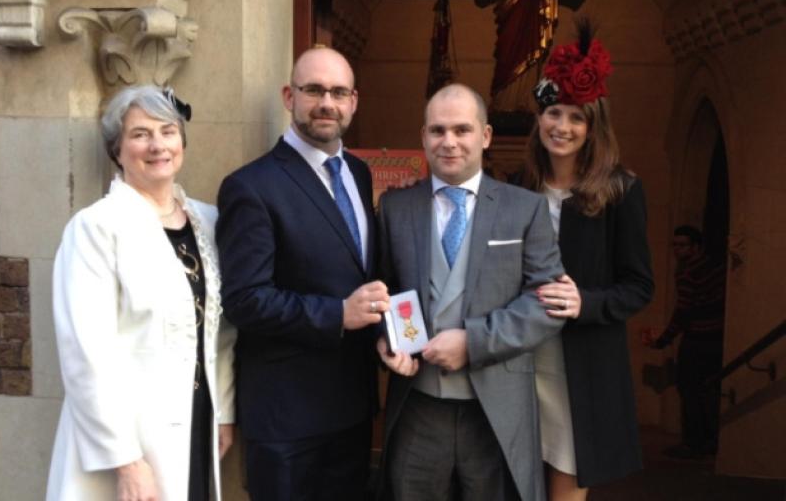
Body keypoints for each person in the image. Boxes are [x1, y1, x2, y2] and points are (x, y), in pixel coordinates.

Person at [376, 83, 568, 501]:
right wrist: (387, 338)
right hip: (418, 407)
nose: (449, 142)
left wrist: (474, 341)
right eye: (437, 130)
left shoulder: (524, 208)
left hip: (497, 409)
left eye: (462, 130)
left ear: (485, 136)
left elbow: (548, 303)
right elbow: (384, 290)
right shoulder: (395, 209)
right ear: (423, 136)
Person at [46, 85, 237, 501]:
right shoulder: (96, 228)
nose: (157, 146)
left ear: (182, 142)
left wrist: (223, 413)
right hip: (125, 442)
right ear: (117, 149)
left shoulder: (209, 222)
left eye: (168, 131)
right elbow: (85, 353)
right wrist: (126, 461)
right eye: (140, 134)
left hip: (196, 425)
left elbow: (219, 333)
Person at [216, 46, 384, 500]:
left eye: (337, 92)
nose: (326, 102)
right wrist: (337, 315)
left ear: (353, 101)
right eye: (313, 90)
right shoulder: (251, 187)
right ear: (290, 96)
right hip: (288, 419)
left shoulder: (359, 172)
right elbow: (245, 300)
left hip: (352, 406)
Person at [518, 23, 655, 500]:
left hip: (581, 371)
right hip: (517, 363)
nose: (563, 127)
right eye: (554, 112)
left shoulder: (621, 191)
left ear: (594, 126)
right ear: (539, 118)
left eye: (577, 118)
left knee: (566, 486)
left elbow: (639, 285)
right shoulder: (517, 188)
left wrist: (586, 302)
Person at [645, 225, 725, 458]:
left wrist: (664, 339)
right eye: (675, 245)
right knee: (708, 390)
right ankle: (710, 440)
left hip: (699, 338)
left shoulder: (687, 272)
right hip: (716, 337)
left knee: (689, 389)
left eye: (682, 245)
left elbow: (684, 311)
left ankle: (693, 442)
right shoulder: (717, 267)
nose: (677, 250)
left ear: (696, 247)